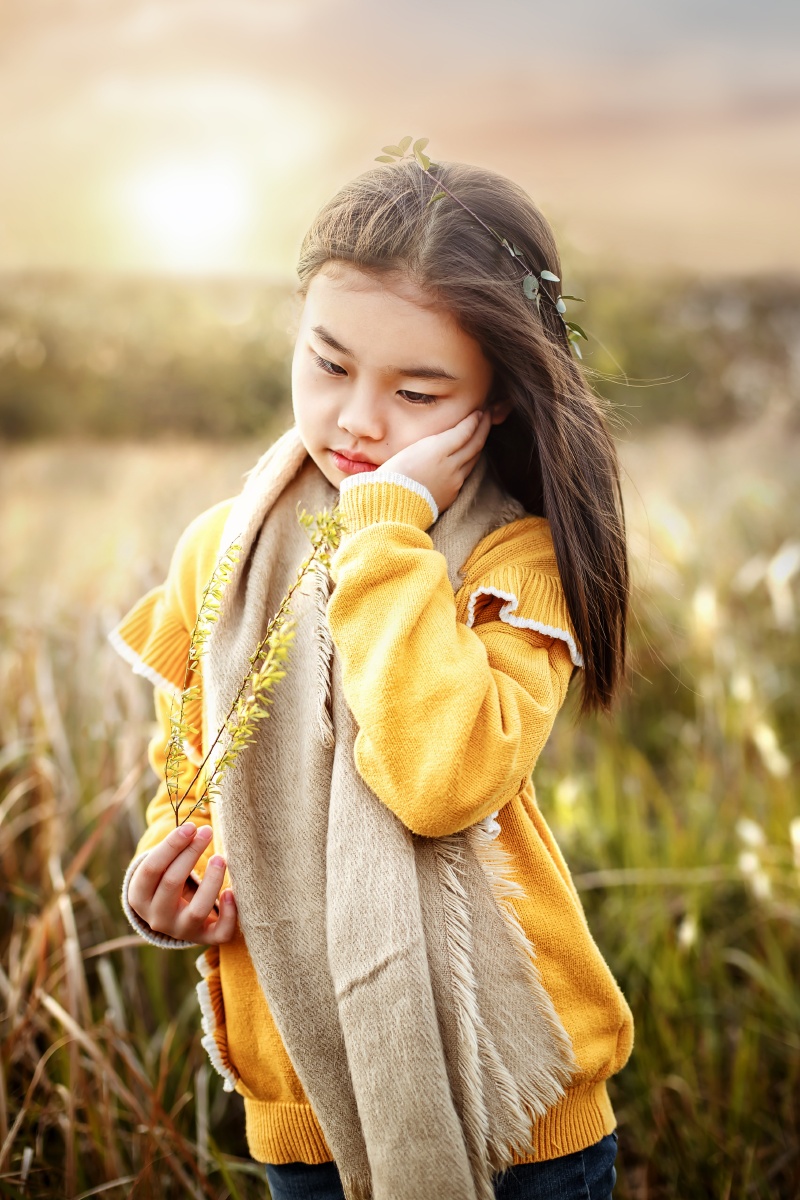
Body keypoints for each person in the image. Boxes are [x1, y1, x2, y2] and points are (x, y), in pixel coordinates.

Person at [110, 150, 634, 1200]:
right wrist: (172, 889)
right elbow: (197, 767)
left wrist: (385, 532)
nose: (358, 418)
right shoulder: (226, 549)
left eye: (417, 391)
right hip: (300, 1099)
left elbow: (442, 781)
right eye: (328, 364)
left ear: (496, 398)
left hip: (515, 1112)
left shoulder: (512, 559)